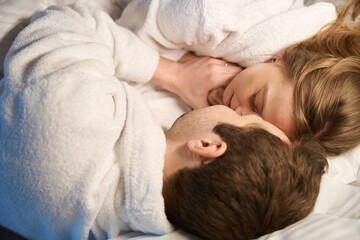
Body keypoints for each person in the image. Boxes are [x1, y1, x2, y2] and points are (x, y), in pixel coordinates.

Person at [0, 3, 328, 240]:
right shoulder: (117, 223)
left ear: (208, 146)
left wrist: (173, 72)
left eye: (248, 120)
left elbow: (62, 22)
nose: (236, 109)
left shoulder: (76, 118)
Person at [118, 0, 360, 156]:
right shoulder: (216, 15)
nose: (238, 115)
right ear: (281, 57)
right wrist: (179, 72)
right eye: (256, 101)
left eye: (258, 125)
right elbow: (129, 25)